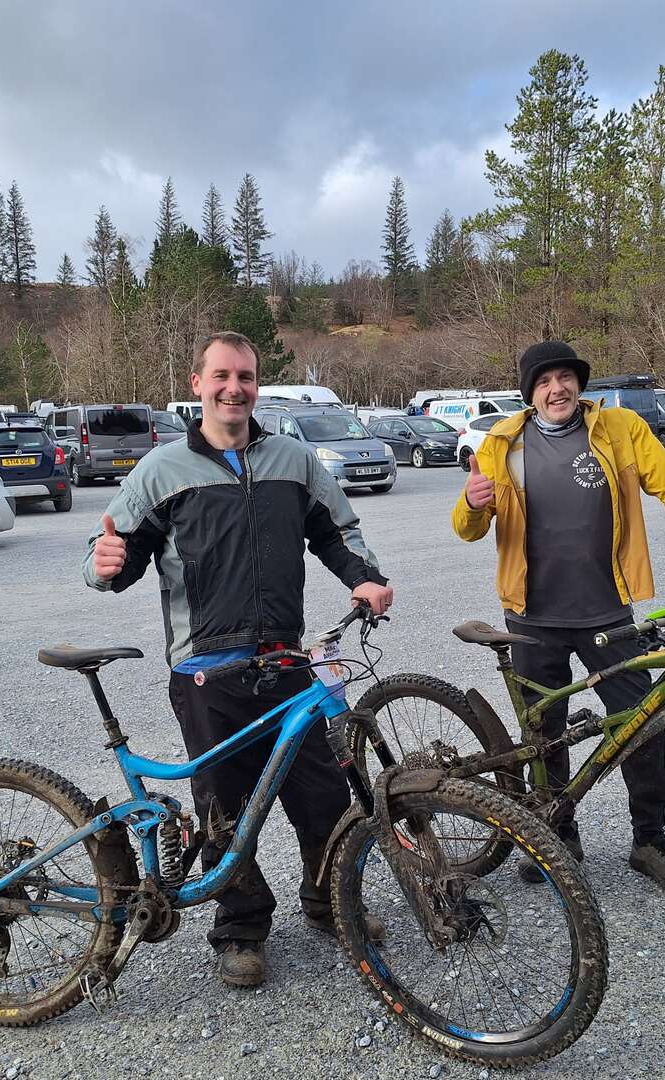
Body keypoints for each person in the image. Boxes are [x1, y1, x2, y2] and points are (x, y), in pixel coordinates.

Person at [84, 330, 393, 987]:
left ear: (257, 385)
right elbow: (115, 554)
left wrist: (364, 577)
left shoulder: (293, 460)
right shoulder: (162, 469)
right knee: (223, 805)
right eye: (221, 376)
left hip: (286, 660)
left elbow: (336, 530)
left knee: (322, 794)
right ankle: (240, 930)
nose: (234, 388)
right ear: (197, 385)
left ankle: (330, 903)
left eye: (246, 377)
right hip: (206, 669)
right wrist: (104, 565)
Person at [452, 340, 665, 894]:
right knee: (544, 731)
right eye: (544, 381)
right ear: (530, 392)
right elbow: (469, 530)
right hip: (531, 616)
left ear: (580, 384)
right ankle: (558, 834)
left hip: (609, 613)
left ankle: (649, 841)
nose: (557, 389)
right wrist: (471, 503)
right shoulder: (501, 442)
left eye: (565, 377)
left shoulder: (620, 429)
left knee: (643, 724)